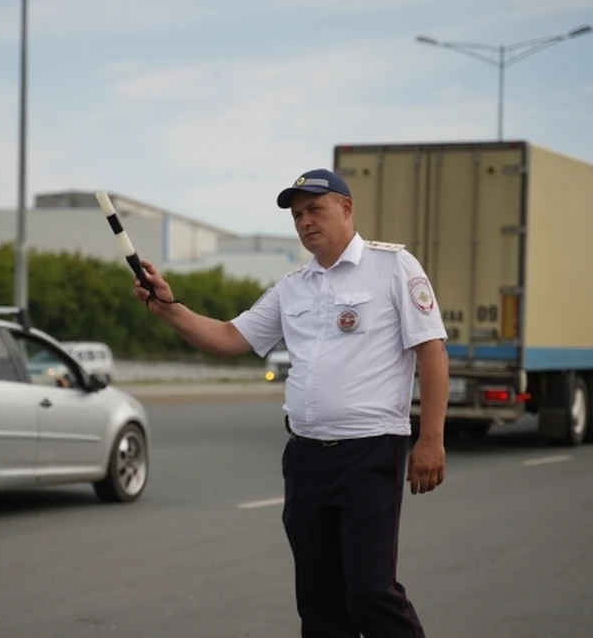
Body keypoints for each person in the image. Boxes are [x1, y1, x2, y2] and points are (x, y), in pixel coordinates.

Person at [131, 168, 449, 638]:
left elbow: (432, 352)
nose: (304, 222)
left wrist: (431, 440)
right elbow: (227, 338)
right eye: (297, 215)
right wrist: (169, 308)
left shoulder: (393, 267)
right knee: (319, 602)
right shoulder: (292, 287)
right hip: (305, 460)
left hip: (370, 453)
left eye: (314, 209)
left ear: (346, 208)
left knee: (369, 593)